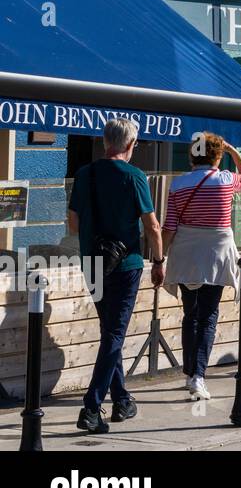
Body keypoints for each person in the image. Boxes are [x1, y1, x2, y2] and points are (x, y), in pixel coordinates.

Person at [66, 118, 163, 434]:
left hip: (92, 263)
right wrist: (159, 261)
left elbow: (74, 224)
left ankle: (121, 399)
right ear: (130, 144)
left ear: (105, 141)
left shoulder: (84, 174)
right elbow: (152, 226)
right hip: (125, 265)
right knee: (114, 334)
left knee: (109, 330)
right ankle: (91, 408)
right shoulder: (135, 177)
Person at [157, 132, 241, 400]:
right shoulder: (225, 180)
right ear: (217, 156)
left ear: (192, 155)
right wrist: (233, 151)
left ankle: (191, 371)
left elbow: (170, 227)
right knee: (208, 315)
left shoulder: (178, 184)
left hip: (186, 254)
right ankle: (198, 375)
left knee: (191, 314)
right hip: (216, 255)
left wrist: (158, 259)